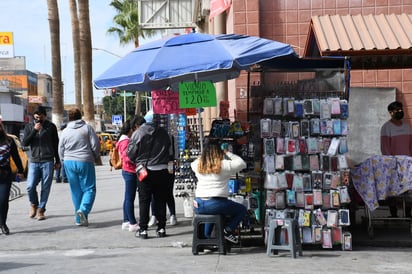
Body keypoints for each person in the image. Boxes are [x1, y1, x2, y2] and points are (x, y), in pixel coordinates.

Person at [127, 110, 174, 239]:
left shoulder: (138, 133)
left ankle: (143, 230)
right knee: (161, 199)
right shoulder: (164, 133)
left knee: (144, 200)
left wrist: (138, 161)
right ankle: (162, 228)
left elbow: (130, 154)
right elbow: (171, 152)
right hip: (163, 170)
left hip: (145, 171)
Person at [190, 142, 247, 244]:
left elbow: (193, 163)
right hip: (216, 203)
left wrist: (203, 156)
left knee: (212, 212)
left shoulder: (198, 165)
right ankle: (228, 230)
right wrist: (227, 153)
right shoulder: (223, 165)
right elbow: (242, 163)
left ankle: (206, 240)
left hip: (198, 204)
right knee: (242, 210)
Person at [58, 108, 100, 226]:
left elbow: (60, 148)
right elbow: (95, 145)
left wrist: (63, 160)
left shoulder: (65, 131)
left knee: (76, 191)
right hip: (85, 161)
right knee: (89, 189)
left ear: (69, 118)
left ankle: (79, 219)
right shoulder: (87, 128)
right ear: (80, 116)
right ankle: (83, 210)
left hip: (68, 162)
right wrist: (94, 155)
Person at [22, 105, 60, 221]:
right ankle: (34, 203)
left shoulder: (51, 127)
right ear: (34, 116)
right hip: (34, 161)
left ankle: (41, 209)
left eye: (41, 117)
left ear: (45, 116)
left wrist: (57, 160)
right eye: (36, 117)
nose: (38, 119)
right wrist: (34, 130)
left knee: (46, 187)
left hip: (47, 160)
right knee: (30, 186)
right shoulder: (29, 126)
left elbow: (55, 144)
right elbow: (25, 143)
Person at [380, 101, 412, 218]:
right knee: (392, 189)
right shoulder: (386, 128)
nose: (400, 111)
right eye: (396, 110)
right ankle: (393, 214)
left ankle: (408, 213)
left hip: (407, 165)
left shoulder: (407, 126)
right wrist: (390, 162)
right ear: (390, 113)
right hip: (393, 164)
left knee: (408, 189)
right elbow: (385, 148)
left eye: (400, 109)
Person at [117, 116, 146, 232]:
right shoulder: (125, 141)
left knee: (128, 197)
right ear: (130, 130)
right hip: (130, 171)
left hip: (128, 170)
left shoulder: (123, 140)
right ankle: (133, 223)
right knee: (130, 198)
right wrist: (137, 158)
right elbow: (127, 156)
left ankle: (126, 220)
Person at [0, 123, 24, 235]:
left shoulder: (9, 140)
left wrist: (20, 170)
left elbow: (15, 156)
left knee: (4, 200)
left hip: (5, 175)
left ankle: (3, 223)